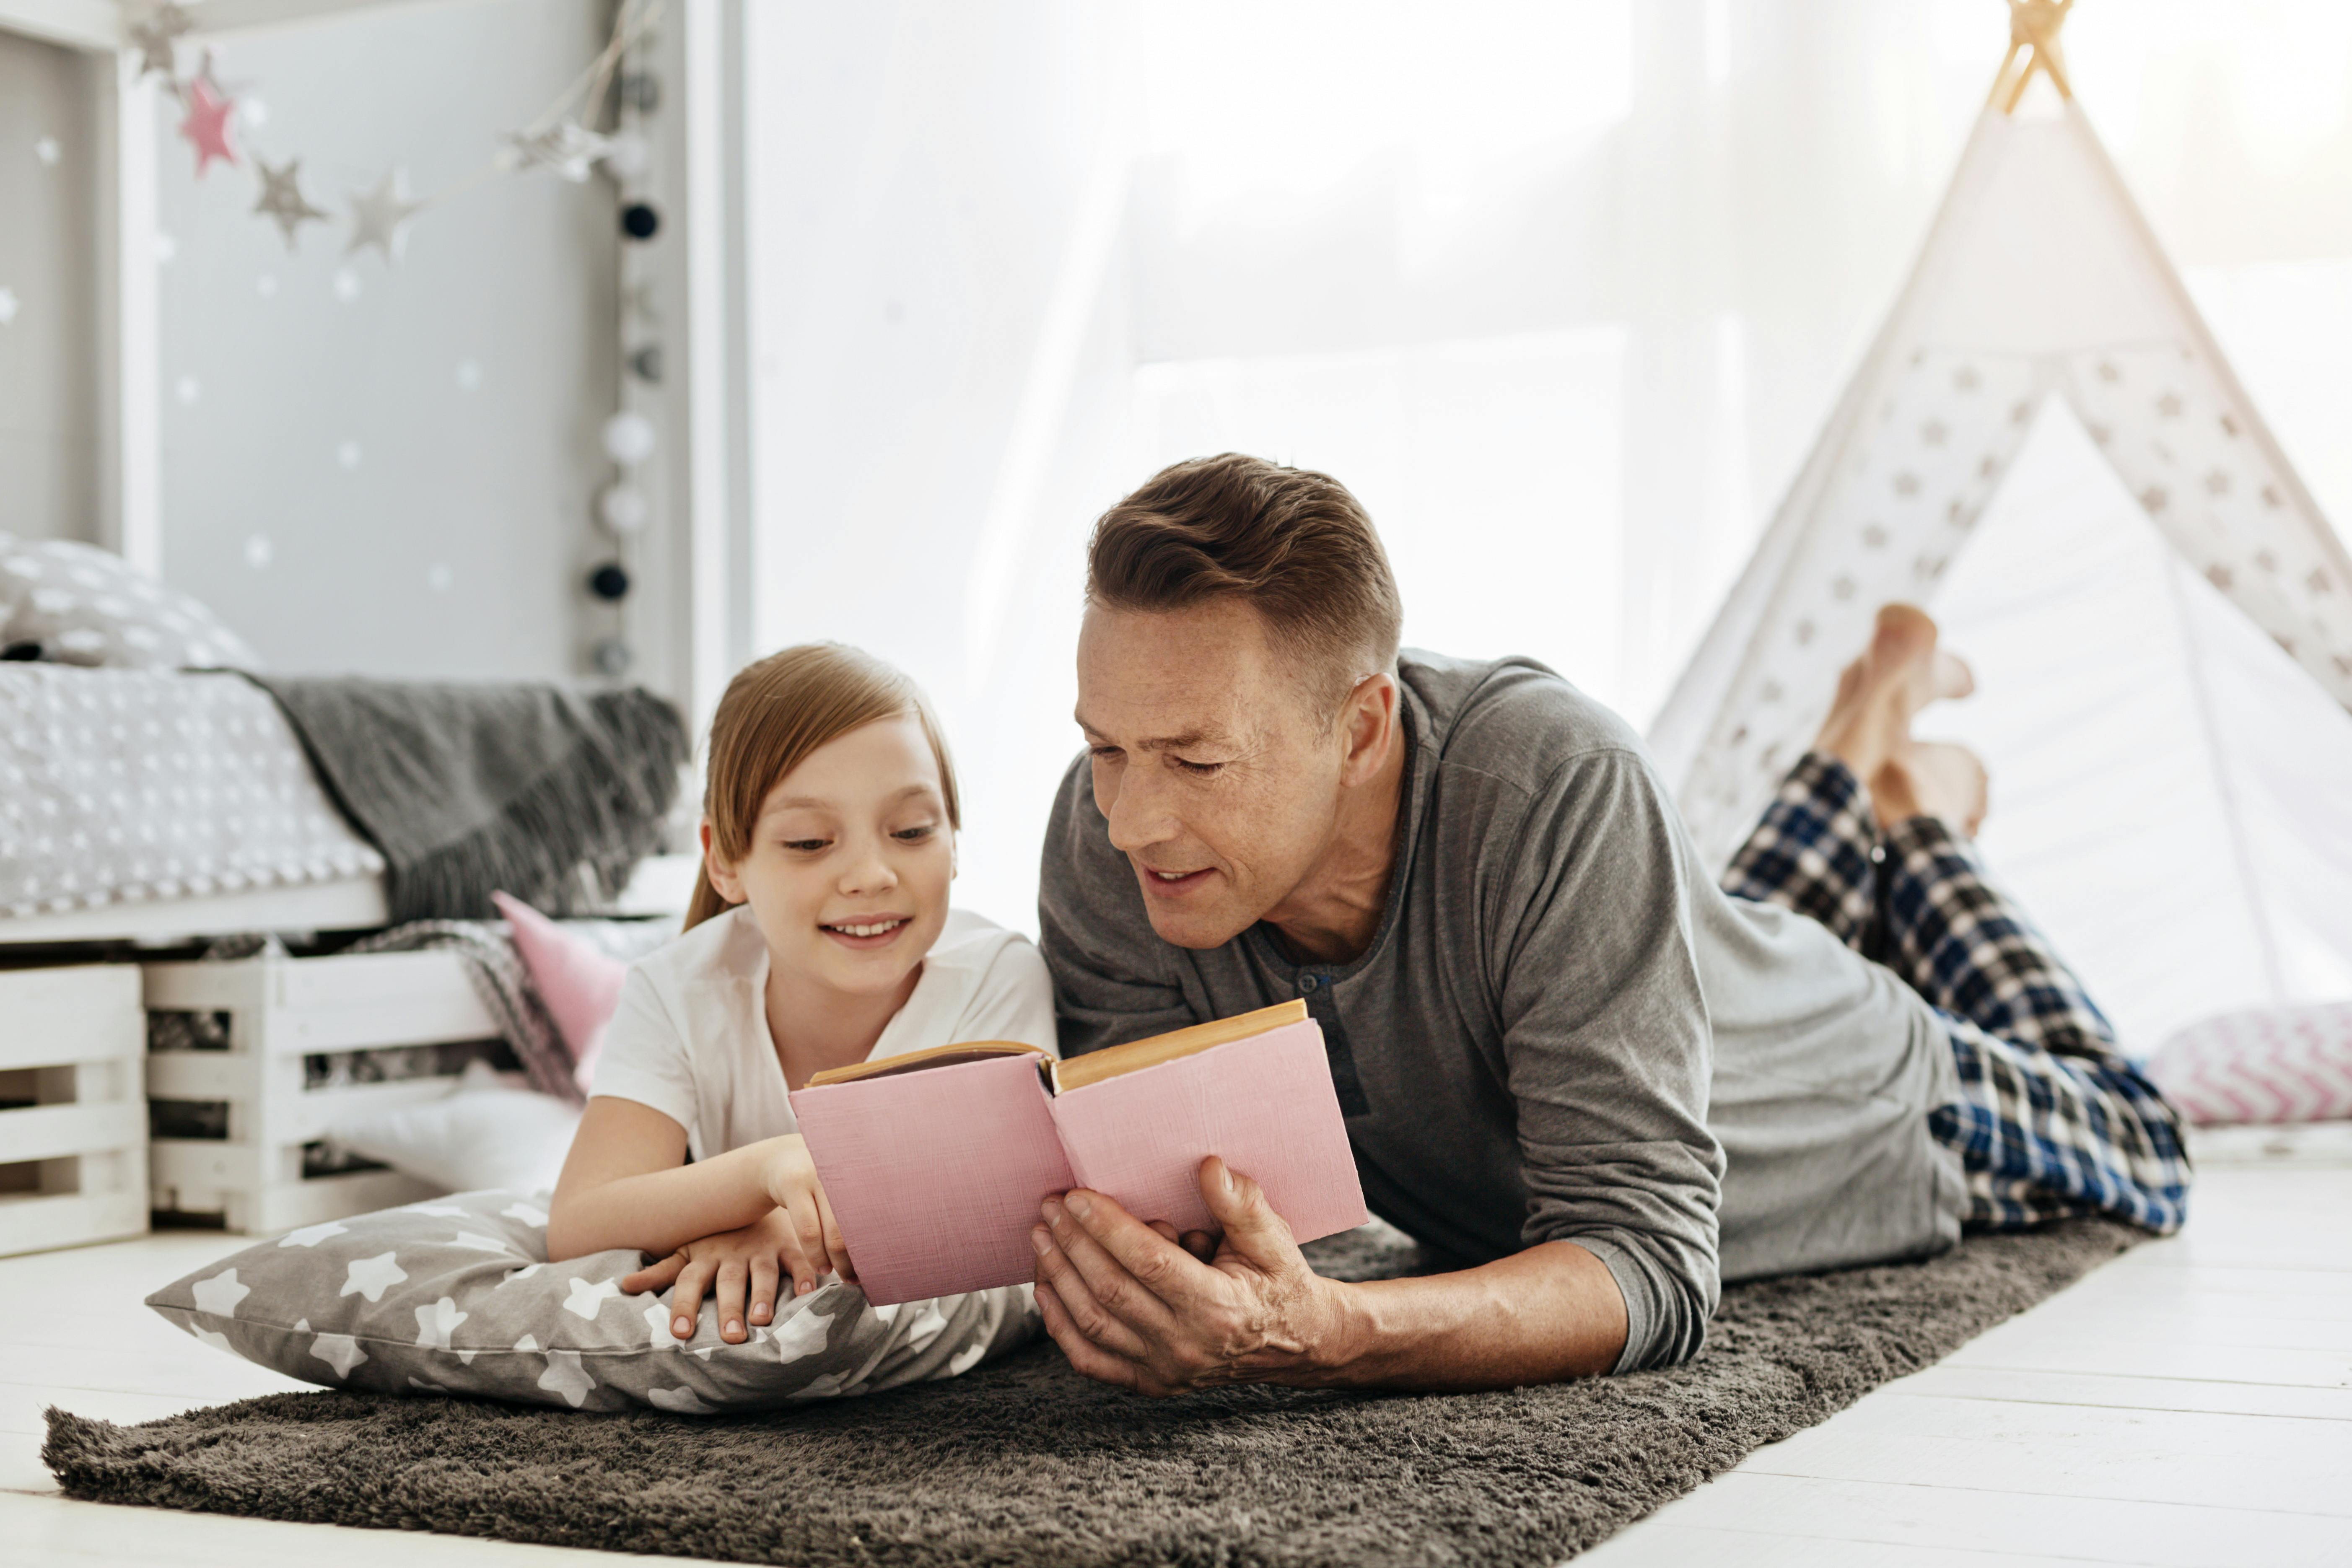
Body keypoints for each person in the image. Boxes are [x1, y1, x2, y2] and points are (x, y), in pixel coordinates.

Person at [1029, 454, 2190, 1395]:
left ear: (1363, 727)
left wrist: (1328, 1328)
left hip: (1864, 1092)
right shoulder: (1109, 834)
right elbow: (1163, 1213)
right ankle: (1864, 720)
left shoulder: (1557, 783)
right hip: (1707, 957)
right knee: (1720, 915)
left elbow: (1649, 1260)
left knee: (2146, 1145)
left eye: (1197, 758)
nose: (1131, 820)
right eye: (1106, 746)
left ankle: (1917, 814)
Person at [546, 642, 1050, 1390]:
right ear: (726, 861)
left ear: (953, 844)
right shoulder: (677, 988)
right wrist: (766, 1171)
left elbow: (1003, 1197)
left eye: (912, 831)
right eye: (811, 843)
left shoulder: (999, 975)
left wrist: (786, 1227)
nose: (871, 875)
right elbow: (579, 1218)